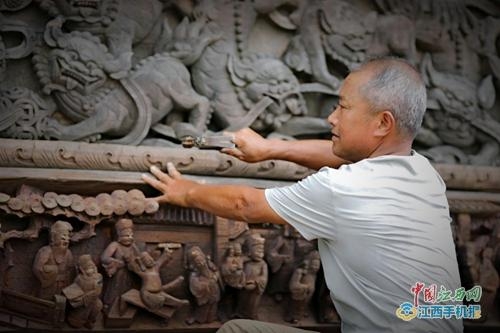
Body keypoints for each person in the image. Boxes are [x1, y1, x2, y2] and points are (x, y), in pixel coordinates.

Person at [142, 57, 463, 332]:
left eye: (343, 107)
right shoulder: (424, 173)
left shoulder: (343, 189)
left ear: (382, 122)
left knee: (238, 330)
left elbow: (246, 204)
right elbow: (345, 155)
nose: (331, 117)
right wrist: (270, 148)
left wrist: (185, 192)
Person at [33, 220, 74, 300]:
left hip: (63, 286)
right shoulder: (46, 251)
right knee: (46, 303)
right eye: (63, 237)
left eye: (68, 237)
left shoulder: (68, 253)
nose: (66, 240)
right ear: (54, 237)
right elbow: (37, 268)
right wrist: (53, 271)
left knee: (60, 305)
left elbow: (70, 269)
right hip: (48, 285)